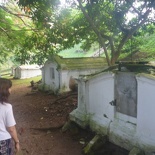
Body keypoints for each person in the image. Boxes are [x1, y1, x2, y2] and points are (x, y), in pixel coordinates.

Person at [0, 78, 20, 155]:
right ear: (4, 91)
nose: (10, 90)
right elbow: (11, 129)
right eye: (9, 88)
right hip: (3, 142)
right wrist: (17, 141)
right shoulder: (6, 107)